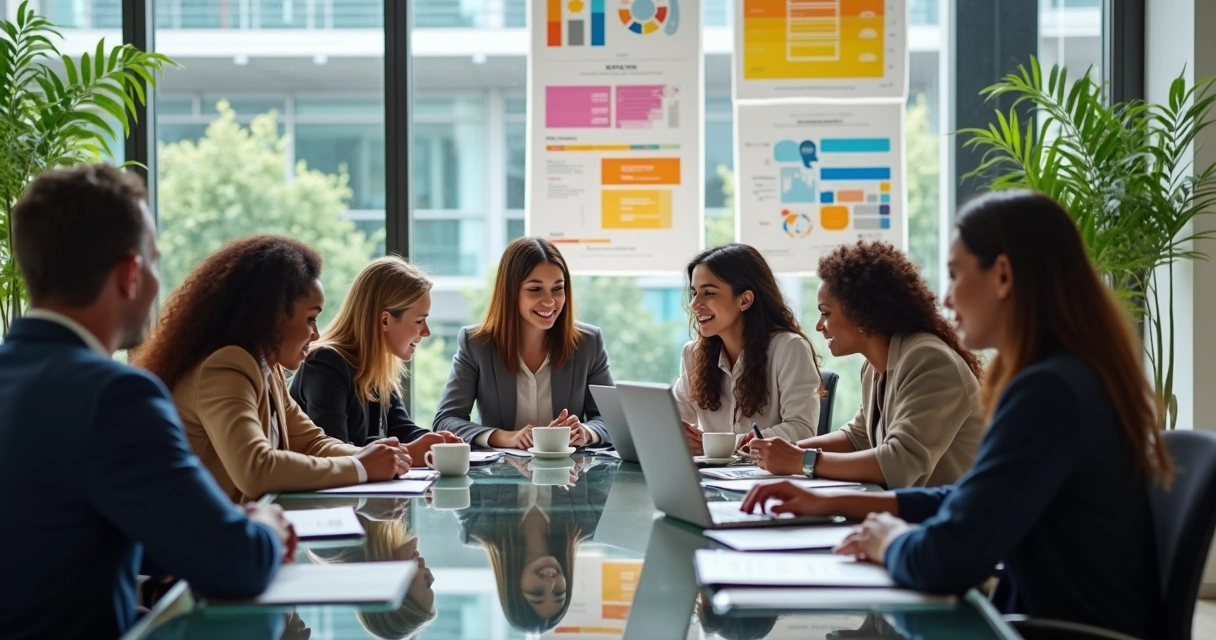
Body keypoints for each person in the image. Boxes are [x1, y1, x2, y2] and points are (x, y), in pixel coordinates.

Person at [741, 190, 1170, 639]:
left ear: (1002, 275)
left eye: (954, 275)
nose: (945, 299)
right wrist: (832, 500)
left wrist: (887, 541)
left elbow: (946, 558)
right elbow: (969, 498)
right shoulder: (1067, 375)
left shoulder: (1048, 391)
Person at [0, 165, 290, 639]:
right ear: (131, 274)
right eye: (155, 263)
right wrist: (265, 527)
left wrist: (220, 524)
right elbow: (237, 564)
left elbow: (79, 534)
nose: (160, 284)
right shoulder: (115, 396)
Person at [132, 235, 411, 502]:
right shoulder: (225, 366)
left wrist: (373, 456)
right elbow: (257, 468)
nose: (315, 335)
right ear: (273, 316)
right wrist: (360, 467)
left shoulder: (268, 368)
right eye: (311, 318)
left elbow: (313, 443)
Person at [745, 241, 985, 488]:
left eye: (826, 313)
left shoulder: (930, 361)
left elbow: (898, 463)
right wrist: (786, 451)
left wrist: (800, 460)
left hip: (943, 519)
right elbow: (857, 437)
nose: (819, 326)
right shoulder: (874, 367)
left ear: (861, 314)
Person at [435, 237, 614, 449]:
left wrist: (586, 432)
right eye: (535, 289)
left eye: (557, 288)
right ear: (510, 292)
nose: (549, 301)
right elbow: (445, 421)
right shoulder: (476, 344)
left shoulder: (588, 343)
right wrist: (505, 437)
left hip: (569, 477)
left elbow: (611, 420)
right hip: (502, 477)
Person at [290, 256, 463, 463]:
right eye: (419, 321)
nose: (426, 332)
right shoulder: (325, 363)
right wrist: (407, 451)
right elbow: (333, 448)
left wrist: (437, 442)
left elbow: (401, 428)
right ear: (385, 320)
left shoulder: (379, 366)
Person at [675, 244, 822, 454]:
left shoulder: (789, 348)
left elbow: (802, 429)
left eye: (708, 293)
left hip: (769, 479)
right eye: (694, 293)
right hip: (711, 478)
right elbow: (676, 420)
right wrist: (675, 433)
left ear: (744, 299)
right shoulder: (692, 355)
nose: (694, 304)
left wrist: (729, 444)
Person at [458, 464, 611, 633]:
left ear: (513, 588)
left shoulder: (479, 530)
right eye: (559, 591)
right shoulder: (586, 524)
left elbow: (459, 461)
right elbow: (609, 465)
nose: (551, 583)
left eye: (537, 592)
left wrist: (503, 445)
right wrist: (588, 440)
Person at [308, 507, 438, 638]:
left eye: (427, 584)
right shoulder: (382, 528)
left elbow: (309, 498)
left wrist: (363, 503)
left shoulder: (334, 547)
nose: (430, 575)